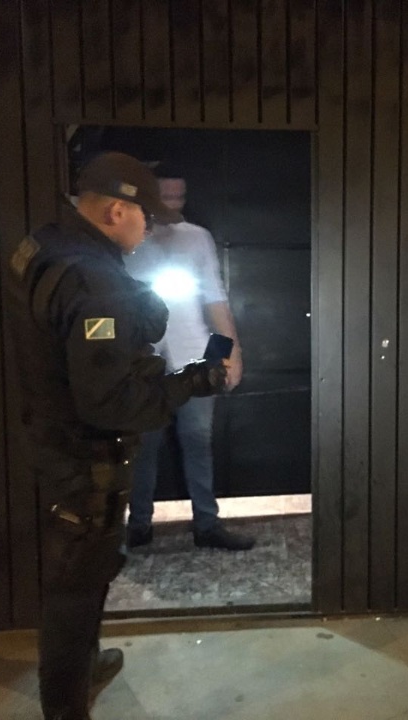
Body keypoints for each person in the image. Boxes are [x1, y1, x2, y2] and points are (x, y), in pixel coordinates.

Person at [4, 151, 228, 720]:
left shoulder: (48, 243)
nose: (149, 228)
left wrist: (139, 317)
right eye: (144, 216)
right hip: (85, 454)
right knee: (76, 587)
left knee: (85, 572)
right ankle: (66, 708)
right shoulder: (96, 280)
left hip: (52, 433)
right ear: (116, 211)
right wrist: (188, 383)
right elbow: (111, 402)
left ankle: (85, 665)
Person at [124, 163, 254, 551]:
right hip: (144, 363)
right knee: (143, 447)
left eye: (178, 196)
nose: (172, 203)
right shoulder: (129, 239)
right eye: (166, 195)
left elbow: (214, 300)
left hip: (193, 357)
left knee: (198, 441)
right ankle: (139, 524)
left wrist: (230, 355)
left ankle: (206, 524)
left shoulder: (197, 238)